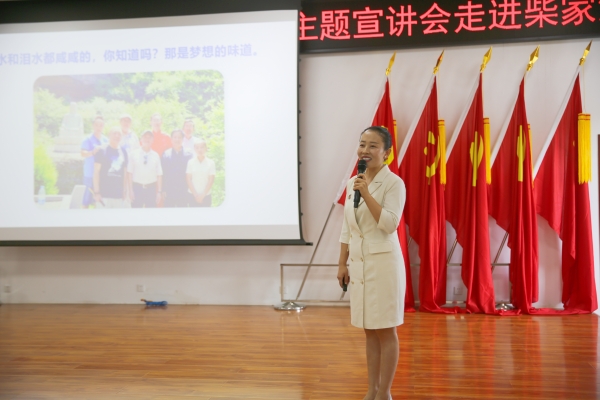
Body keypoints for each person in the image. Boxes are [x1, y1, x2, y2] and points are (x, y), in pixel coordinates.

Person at [337, 126, 406, 400]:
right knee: (369, 330)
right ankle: (371, 390)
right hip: (360, 265)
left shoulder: (394, 183)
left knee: (385, 329)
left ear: (386, 153)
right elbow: (347, 227)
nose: (365, 150)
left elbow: (390, 224)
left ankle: (385, 393)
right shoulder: (352, 182)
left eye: (373, 146)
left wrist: (366, 193)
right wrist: (342, 264)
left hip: (384, 266)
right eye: (362, 144)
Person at [93, 127, 128, 208]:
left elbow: (125, 173)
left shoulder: (123, 152)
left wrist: (124, 191)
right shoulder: (101, 150)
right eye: (114, 133)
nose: (117, 136)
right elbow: (96, 172)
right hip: (103, 195)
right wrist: (97, 192)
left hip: (118, 195)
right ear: (109, 135)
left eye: (119, 134)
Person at [127, 130, 163, 208]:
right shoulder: (133, 154)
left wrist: (159, 192)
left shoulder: (156, 155)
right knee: (136, 213)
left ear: (152, 140)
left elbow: (159, 175)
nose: (147, 139)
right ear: (141, 139)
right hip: (137, 188)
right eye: (145, 137)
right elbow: (129, 173)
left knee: (151, 213)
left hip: (151, 189)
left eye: (149, 137)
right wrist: (130, 190)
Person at [80, 116, 108, 208]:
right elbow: (83, 153)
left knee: (98, 200)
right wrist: (92, 152)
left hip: (101, 175)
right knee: (86, 201)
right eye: (96, 125)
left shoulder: (106, 140)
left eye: (101, 125)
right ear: (93, 125)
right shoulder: (87, 139)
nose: (98, 127)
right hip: (90, 174)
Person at [161, 130, 193, 207]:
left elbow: (191, 173)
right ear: (171, 139)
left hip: (183, 190)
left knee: (182, 212)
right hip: (169, 190)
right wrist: (163, 189)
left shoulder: (189, 154)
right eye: (175, 137)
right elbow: (163, 173)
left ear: (183, 139)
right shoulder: (166, 154)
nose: (177, 139)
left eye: (179, 137)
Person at [186, 139, 215, 207]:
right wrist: (196, 195)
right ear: (194, 149)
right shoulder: (190, 162)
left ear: (206, 148)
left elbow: (211, 180)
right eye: (197, 148)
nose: (199, 150)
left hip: (206, 195)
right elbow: (188, 179)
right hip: (192, 195)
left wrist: (202, 195)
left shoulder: (211, 163)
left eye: (202, 147)